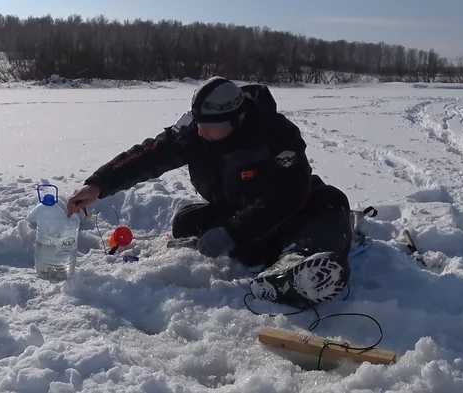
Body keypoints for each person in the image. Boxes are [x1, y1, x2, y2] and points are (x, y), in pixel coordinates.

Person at [66, 76, 353, 307]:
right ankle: (268, 257)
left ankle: (298, 268)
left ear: (236, 121)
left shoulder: (276, 135)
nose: (200, 132)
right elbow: (149, 155)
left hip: (292, 209)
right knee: (186, 223)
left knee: (331, 205)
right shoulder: (196, 131)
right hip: (239, 211)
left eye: (209, 127)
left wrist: (233, 232)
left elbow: (288, 194)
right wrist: (99, 184)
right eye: (198, 124)